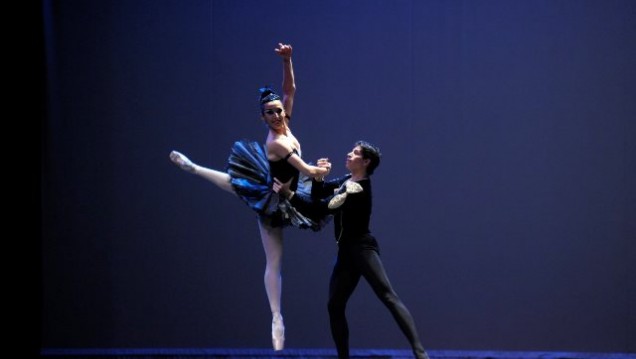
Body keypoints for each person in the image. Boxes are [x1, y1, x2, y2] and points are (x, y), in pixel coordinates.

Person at [169, 43, 330, 351]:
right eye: (269, 113)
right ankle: (276, 317)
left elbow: (291, 89)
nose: (276, 115)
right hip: (274, 199)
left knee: (238, 183)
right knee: (273, 260)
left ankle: (195, 168)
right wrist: (320, 168)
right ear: (263, 118)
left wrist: (287, 60)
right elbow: (306, 169)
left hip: (290, 191)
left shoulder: (286, 122)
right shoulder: (275, 143)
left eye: (278, 110)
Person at [273, 141, 430, 359]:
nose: (349, 154)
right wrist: (319, 177)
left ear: (365, 162)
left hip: (361, 249)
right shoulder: (349, 181)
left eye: (355, 153)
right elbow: (320, 195)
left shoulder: (357, 188)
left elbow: (319, 209)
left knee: (388, 296)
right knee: (334, 305)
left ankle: (420, 352)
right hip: (346, 252)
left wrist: (289, 193)